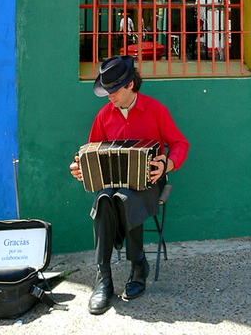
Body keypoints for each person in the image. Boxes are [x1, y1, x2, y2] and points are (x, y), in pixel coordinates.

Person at [70, 55, 189, 315]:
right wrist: (81, 168)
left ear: (130, 85)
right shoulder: (104, 115)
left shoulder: (155, 109)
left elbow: (180, 144)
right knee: (104, 201)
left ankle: (138, 266)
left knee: (125, 198)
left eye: (113, 90)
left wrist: (167, 165)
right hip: (112, 185)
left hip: (150, 181)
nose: (109, 95)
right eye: (106, 90)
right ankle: (104, 279)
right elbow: (92, 151)